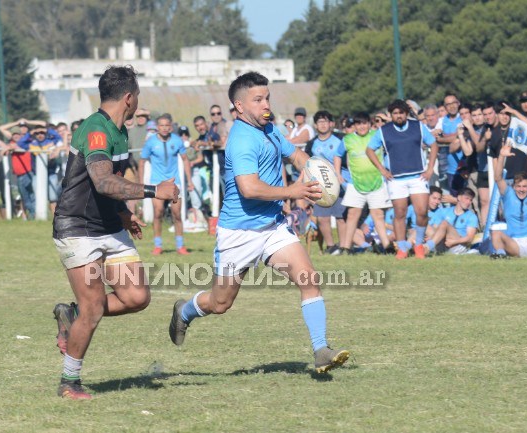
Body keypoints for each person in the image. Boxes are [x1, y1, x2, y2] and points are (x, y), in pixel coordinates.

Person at [168, 72, 350, 374]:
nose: (266, 104)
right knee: (220, 303)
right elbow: (248, 188)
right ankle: (184, 311)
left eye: (267, 98)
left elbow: (295, 156)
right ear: (238, 106)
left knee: (309, 279)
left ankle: (320, 350)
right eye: (258, 100)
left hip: (273, 226)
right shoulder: (241, 140)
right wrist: (293, 191)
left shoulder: (269, 128)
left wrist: (318, 174)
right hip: (239, 233)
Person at [51, 65, 179, 400]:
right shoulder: (96, 129)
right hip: (77, 228)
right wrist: (154, 192)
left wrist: (123, 214)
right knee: (93, 306)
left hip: (109, 225)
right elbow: (103, 182)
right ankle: (69, 382)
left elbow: (109, 190)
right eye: (137, 94)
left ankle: (72, 315)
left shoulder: (119, 131)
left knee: (137, 297)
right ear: (129, 97)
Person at [366, 99, 438, 259]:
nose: (398, 116)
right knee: (399, 213)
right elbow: (370, 150)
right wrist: (382, 169)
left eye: (401, 113)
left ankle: (418, 244)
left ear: (406, 113)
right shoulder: (384, 131)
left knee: (422, 212)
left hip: (418, 177)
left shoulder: (417, 126)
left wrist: (430, 168)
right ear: (391, 115)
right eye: (395, 113)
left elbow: (433, 144)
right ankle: (402, 247)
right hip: (396, 179)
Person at [334, 112, 392, 254]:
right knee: (353, 215)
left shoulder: (376, 135)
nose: (362, 127)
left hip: (377, 181)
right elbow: (337, 155)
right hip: (356, 184)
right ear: (355, 125)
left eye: (365, 123)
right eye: (359, 124)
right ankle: (346, 247)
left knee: (378, 215)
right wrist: (338, 174)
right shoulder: (348, 139)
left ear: (369, 124)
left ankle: (387, 246)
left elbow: (390, 136)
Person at [138, 113, 194, 255]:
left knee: (177, 214)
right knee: (158, 213)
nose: (164, 128)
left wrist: (190, 181)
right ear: (157, 127)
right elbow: (142, 162)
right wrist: (140, 183)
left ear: (171, 127)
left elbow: (185, 159)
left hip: (175, 183)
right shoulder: (150, 142)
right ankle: (158, 246)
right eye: (161, 125)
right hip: (157, 183)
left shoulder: (177, 140)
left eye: (167, 125)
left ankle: (180, 246)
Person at [305, 110, 345, 255]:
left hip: (341, 185)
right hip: (320, 187)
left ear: (331, 124)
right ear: (315, 125)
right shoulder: (311, 144)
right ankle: (330, 246)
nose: (322, 124)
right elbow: (307, 165)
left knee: (341, 217)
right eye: (319, 122)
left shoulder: (340, 140)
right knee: (322, 218)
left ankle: (344, 246)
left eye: (325, 121)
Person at [422, 188, 479, 255]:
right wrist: (431, 236)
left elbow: (470, 238)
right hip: (442, 243)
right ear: (459, 197)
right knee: (425, 224)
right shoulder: (444, 211)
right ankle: (416, 245)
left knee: (445, 223)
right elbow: (435, 227)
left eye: (470, 200)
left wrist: (454, 241)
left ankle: (427, 247)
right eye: (466, 198)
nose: (468, 202)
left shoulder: (471, 216)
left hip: (457, 245)